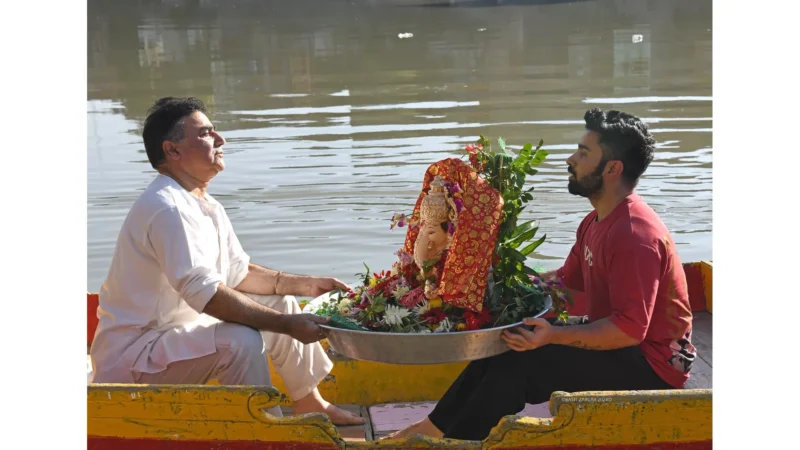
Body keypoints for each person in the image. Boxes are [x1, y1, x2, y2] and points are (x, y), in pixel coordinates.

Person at [385, 108, 697, 441]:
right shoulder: (596, 221)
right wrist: (498, 287)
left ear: (612, 168)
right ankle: (432, 429)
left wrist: (552, 336)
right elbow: (565, 283)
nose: (570, 158)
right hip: (624, 344)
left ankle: (452, 443)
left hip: (654, 366)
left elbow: (629, 330)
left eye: (583, 152)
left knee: (524, 364)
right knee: (506, 339)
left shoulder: (634, 234)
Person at [89, 97, 364, 426]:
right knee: (241, 341)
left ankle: (310, 403)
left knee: (280, 302)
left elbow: (238, 273)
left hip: (178, 338)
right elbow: (206, 293)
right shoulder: (167, 207)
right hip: (136, 358)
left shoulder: (204, 204)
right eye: (206, 134)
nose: (221, 140)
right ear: (173, 151)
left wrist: (306, 285)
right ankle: (265, 432)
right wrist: (287, 327)